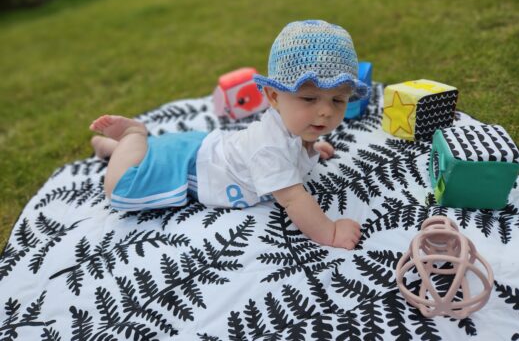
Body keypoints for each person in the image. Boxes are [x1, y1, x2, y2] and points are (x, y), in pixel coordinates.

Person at [90, 20, 369, 250]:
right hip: (191, 166)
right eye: (309, 99)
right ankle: (132, 135)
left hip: (205, 148)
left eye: (337, 101)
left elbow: (294, 141)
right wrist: (330, 233)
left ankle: (111, 149)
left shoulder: (294, 126)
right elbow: (294, 199)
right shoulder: (269, 150)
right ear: (273, 96)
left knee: (149, 154)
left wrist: (309, 148)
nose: (325, 113)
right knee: (119, 189)